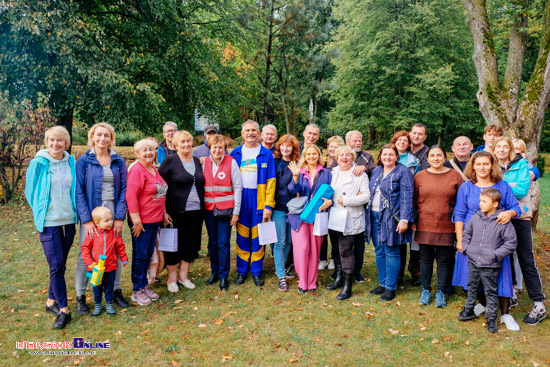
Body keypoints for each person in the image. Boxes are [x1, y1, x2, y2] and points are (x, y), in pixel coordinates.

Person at [452, 151, 521, 330]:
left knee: (499, 275)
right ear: (473, 166)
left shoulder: (502, 186)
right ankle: (481, 304)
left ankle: (505, 313)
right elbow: (459, 214)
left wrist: (509, 213)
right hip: (472, 238)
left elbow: (515, 207)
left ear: (492, 166)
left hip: (494, 239)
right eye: (478, 164)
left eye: (486, 164)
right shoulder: (466, 187)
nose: (482, 167)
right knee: (473, 277)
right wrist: (460, 240)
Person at [25, 126, 77, 329]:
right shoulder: (38, 163)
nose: (56, 144)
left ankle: (50, 302)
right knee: (56, 266)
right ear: (47, 142)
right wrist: (41, 211)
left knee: (60, 265)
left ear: (66, 143)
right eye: (52, 140)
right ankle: (63, 310)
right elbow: (30, 192)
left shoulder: (70, 162)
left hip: (69, 220)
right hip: (49, 222)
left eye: (60, 141)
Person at [75, 122, 129, 315]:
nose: (102, 139)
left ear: (111, 138)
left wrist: (120, 217)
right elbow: (78, 191)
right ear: (92, 137)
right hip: (92, 213)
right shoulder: (84, 161)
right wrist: (87, 220)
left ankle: (114, 291)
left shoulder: (118, 161)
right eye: (99, 135)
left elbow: (124, 190)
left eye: (106, 135)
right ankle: (81, 296)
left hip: (113, 211)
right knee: (86, 253)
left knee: (113, 249)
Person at [493, 137, 546, 325]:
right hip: (497, 218)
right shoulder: (491, 165)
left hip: (519, 217)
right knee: (502, 258)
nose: (501, 149)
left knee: (525, 258)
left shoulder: (521, 165)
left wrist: (499, 189)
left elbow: (522, 190)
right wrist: (508, 187)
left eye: (504, 147)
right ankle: (510, 292)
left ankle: (539, 304)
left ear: (510, 150)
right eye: (498, 146)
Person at [458, 188, 517, 333]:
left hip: (490, 264)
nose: (480, 204)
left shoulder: (502, 221)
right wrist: (467, 249)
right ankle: (468, 310)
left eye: (484, 201)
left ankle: (491, 318)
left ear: (495, 204)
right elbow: (466, 234)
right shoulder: (475, 217)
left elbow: (511, 243)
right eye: (480, 201)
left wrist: (495, 255)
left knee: (490, 291)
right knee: (471, 286)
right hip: (473, 261)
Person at [414, 145, 463, 308]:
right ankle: (425, 290)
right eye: (432, 156)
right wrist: (413, 221)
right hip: (424, 224)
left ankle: (441, 291)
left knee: (444, 260)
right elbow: (413, 200)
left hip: (447, 225)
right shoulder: (420, 176)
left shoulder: (454, 175)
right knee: (426, 259)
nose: (436, 158)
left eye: (439, 155)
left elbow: (461, 201)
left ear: (444, 157)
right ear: (427, 159)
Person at [230, 120, 276, 286]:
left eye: (253, 130)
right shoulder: (235, 153)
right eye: (247, 130)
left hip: (259, 198)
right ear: (242, 134)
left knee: (257, 236)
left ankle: (256, 271)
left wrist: (268, 205)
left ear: (259, 133)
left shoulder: (266, 153)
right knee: (242, 235)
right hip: (241, 197)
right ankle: (242, 270)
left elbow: (271, 181)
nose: (250, 133)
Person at [159, 130, 205, 293]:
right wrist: (163, 211)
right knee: (172, 245)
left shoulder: (197, 161)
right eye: (182, 142)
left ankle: (183, 276)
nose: (186, 144)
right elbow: (160, 187)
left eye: (188, 141)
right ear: (175, 144)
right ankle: (171, 278)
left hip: (196, 212)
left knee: (191, 244)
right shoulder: (169, 161)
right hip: (174, 212)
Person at [366, 144, 414, 301]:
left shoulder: (403, 171)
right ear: (380, 156)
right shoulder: (376, 171)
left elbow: (407, 197)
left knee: (391, 251)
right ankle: (382, 283)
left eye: (391, 154)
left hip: (392, 217)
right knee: (379, 250)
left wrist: (404, 219)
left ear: (396, 157)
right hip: (373, 215)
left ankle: (391, 287)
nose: (387, 157)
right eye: (385, 154)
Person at [126, 138, 169, 306]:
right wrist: (136, 220)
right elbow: (131, 196)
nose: (149, 153)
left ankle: (144, 286)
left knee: (147, 255)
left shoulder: (152, 169)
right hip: (142, 223)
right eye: (144, 150)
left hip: (155, 220)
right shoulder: (137, 170)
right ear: (137, 154)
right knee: (140, 256)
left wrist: (163, 213)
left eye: (151, 149)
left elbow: (160, 192)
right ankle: (137, 290)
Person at [288, 144, 333, 293]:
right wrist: (295, 176)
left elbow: (330, 190)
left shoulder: (326, 172)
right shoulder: (299, 171)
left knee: (314, 250)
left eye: (314, 154)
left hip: (318, 215)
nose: (312, 156)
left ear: (319, 155)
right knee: (302, 248)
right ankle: (303, 281)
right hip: (300, 216)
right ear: (305, 156)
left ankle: (312, 282)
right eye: (309, 154)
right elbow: (293, 190)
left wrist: (330, 200)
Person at [327, 145, 370, 300]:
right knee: (336, 250)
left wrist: (348, 200)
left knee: (346, 251)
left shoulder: (359, 175)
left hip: (351, 217)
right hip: (334, 216)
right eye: (341, 155)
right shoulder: (333, 173)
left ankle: (347, 285)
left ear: (353, 157)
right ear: (336, 158)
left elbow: (366, 196)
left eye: (347, 155)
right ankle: (338, 278)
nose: (344, 158)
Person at [203, 134, 242, 291]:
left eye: (220, 147)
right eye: (214, 147)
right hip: (209, 210)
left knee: (223, 243)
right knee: (212, 243)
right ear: (210, 148)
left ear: (225, 149)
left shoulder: (231, 163)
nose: (217, 150)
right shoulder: (204, 163)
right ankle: (215, 272)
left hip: (226, 210)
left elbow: (238, 187)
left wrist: (236, 212)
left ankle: (224, 276)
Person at [81, 206, 128, 316]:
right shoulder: (92, 234)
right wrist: (90, 263)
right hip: (96, 268)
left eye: (111, 219)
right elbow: (85, 248)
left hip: (110, 267)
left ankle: (109, 304)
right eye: (106, 221)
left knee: (109, 287)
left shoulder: (114, 233)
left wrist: (124, 259)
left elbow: (120, 246)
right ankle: (97, 305)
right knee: (97, 287)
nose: (110, 222)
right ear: (97, 223)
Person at [272, 134, 301, 291]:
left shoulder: (297, 164)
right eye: (282, 145)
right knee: (280, 241)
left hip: (294, 209)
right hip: (279, 208)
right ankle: (281, 276)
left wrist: (296, 176)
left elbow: (298, 188)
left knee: (290, 241)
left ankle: (283, 268)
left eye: (288, 146)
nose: (285, 148)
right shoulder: (275, 163)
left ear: (293, 148)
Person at [319, 135, 345, 271]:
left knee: (335, 234)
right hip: (321, 202)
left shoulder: (342, 162)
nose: (333, 149)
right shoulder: (322, 161)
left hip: (335, 202)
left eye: (336, 146)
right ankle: (322, 258)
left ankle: (334, 259)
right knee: (322, 231)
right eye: (331, 146)